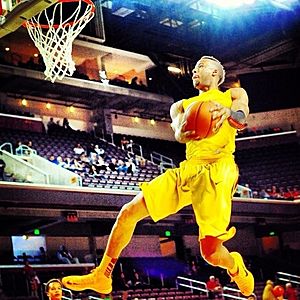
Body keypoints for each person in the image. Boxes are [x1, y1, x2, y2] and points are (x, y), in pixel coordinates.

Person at [62, 56, 254, 296]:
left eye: (201, 67)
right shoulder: (181, 105)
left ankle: (236, 268)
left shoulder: (234, 95)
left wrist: (227, 113)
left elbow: (241, 117)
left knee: (211, 253)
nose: (194, 71)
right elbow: (179, 134)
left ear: (216, 73)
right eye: (193, 69)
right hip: (189, 168)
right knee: (128, 212)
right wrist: (185, 128)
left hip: (218, 168)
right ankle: (103, 274)